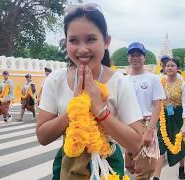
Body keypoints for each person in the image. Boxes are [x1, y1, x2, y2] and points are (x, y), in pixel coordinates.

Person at [36, 3, 144, 180]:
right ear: (66, 42)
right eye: (73, 40)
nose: (82, 49)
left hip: (108, 167)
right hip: (68, 166)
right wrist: (76, 106)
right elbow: (43, 136)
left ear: (106, 41)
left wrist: (99, 109)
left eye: (91, 39)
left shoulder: (119, 82)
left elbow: (136, 143)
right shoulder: (55, 80)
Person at [126, 42, 166, 179]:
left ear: (144, 58)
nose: (135, 58)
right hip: (128, 125)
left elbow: (157, 105)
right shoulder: (124, 80)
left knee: (145, 169)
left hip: (145, 123)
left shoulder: (153, 79)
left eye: (138, 55)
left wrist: (149, 130)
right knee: (130, 166)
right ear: (128, 58)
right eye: (132, 55)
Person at [153, 58, 185, 180]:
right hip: (163, 116)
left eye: (172, 65)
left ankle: (181, 168)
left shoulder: (183, 84)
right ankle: (156, 177)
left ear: (178, 68)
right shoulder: (160, 82)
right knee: (160, 144)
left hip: (177, 116)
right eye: (167, 66)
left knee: (179, 143)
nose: (169, 68)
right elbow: (156, 101)